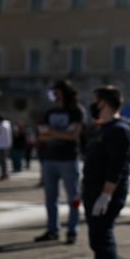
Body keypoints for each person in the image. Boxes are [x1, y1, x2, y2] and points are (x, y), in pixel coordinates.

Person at [75, 86, 130, 259]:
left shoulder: (120, 129)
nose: (92, 104)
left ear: (104, 103)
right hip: (93, 192)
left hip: (106, 195)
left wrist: (106, 195)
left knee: (103, 240)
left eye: (94, 100)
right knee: (97, 241)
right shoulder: (101, 128)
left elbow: (117, 166)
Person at [35, 79, 85, 244]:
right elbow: (41, 135)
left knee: (73, 197)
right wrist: (58, 133)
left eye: (56, 90)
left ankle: (72, 230)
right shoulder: (50, 112)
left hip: (68, 159)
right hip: (50, 158)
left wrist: (51, 133)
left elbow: (73, 135)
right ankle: (52, 230)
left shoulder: (76, 111)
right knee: (50, 198)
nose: (54, 94)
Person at [0, 114, 12, 181]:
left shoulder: (0, 125)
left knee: (2, 161)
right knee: (3, 161)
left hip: (1, 145)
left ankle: (4, 174)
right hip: (5, 145)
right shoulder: (7, 124)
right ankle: (5, 174)